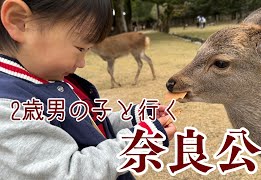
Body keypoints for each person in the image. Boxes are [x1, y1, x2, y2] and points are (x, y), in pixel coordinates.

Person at [0, 0, 176, 179]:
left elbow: (88, 126)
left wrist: (133, 119)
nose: (83, 63)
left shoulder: (51, 80)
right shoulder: (8, 110)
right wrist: (140, 140)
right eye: (80, 48)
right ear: (19, 21)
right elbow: (72, 172)